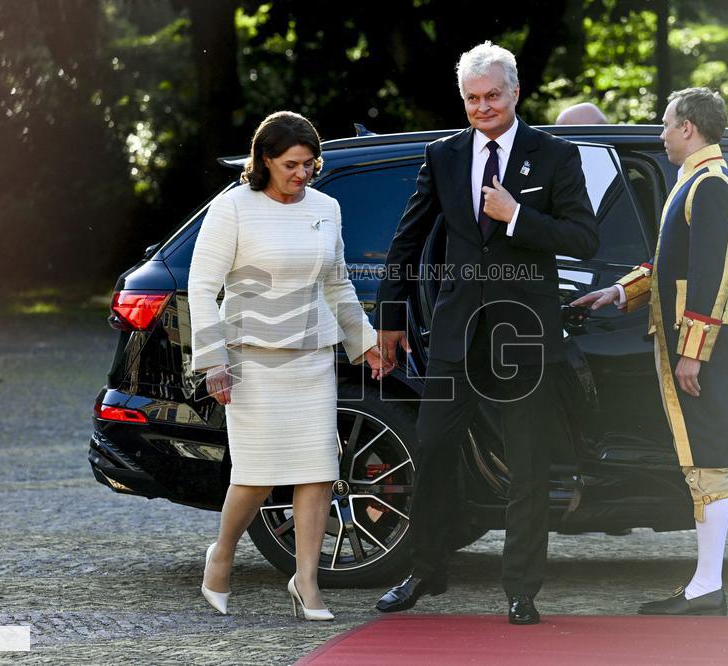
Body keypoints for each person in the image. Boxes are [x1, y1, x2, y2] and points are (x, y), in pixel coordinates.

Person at [373, 41, 598, 625]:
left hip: (523, 339)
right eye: (471, 98)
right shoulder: (443, 155)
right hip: (456, 336)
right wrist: (390, 322)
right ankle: (426, 571)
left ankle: (522, 589)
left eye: (492, 95)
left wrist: (517, 216)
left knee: (527, 464)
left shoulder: (553, 156)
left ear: (515, 92)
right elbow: (406, 242)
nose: (481, 107)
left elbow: (583, 239)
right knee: (432, 448)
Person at [188, 110, 388, 620]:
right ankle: (223, 554)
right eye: (292, 164)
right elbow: (201, 288)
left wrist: (362, 342)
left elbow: (338, 283)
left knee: (318, 472)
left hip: (311, 360)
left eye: (310, 164)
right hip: (250, 362)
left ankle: (306, 582)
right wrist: (213, 361)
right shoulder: (233, 208)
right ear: (265, 161)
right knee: (255, 476)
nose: (303, 174)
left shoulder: (326, 207)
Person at [573, 87, 728, 616]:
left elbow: (712, 277)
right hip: (694, 344)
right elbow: (668, 264)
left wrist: (693, 350)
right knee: (702, 460)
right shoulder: (695, 183)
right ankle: (705, 583)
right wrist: (621, 292)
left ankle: (708, 586)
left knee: (710, 460)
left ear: (689, 127)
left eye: (667, 124)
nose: (662, 133)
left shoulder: (710, 186)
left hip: (703, 348)